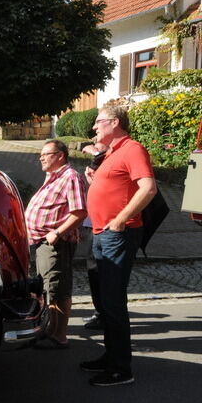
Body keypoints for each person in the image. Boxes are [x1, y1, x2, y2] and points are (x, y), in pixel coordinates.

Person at [83, 106, 157, 387]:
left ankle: (121, 368)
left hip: (117, 235)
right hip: (102, 234)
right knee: (105, 302)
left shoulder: (133, 148)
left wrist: (121, 219)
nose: (94, 128)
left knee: (113, 302)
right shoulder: (112, 152)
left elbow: (148, 188)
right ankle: (110, 356)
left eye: (98, 122)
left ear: (115, 122)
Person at [24, 139, 87, 349]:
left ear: (60, 156)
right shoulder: (54, 177)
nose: (41, 157)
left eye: (45, 154)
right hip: (43, 243)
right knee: (47, 288)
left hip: (56, 244)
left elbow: (79, 212)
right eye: (40, 154)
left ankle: (59, 336)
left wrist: (58, 232)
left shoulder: (70, 177)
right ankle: (50, 330)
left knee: (57, 290)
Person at [80, 139, 109, 331]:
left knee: (101, 271)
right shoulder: (101, 158)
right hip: (94, 222)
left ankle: (105, 315)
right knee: (94, 270)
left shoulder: (111, 157)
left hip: (107, 224)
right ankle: (102, 313)